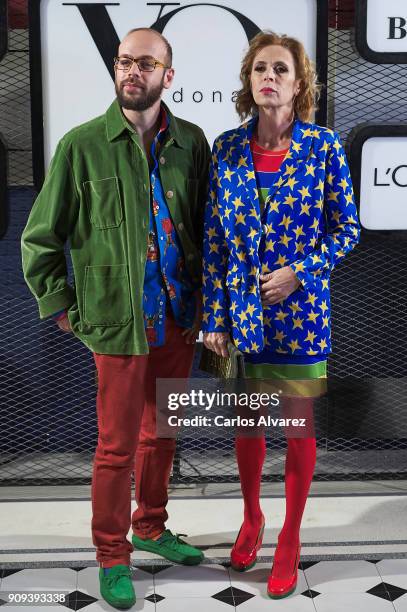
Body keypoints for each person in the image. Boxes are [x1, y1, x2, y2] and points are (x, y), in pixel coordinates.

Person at [21, 27, 211, 610]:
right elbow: (39, 239)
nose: (133, 71)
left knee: (164, 434)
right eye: (125, 61)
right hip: (116, 324)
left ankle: (151, 527)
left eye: (146, 63)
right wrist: (60, 307)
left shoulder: (192, 143)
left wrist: (213, 307)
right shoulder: (81, 145)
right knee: (115, 446)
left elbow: (208, 231)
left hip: (179, 318)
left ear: (167, 76)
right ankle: (112, 553)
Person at [202, 30, 360, 599]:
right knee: (248, 424)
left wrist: (301, 272)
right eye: (260, 68)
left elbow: (347, 232)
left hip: (302, 318)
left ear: (299, 84)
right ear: (249, 81)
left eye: (281, 70)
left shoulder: (324, 147)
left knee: (296, 429)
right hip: (244, 317)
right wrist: (214, 316)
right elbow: (216, 241)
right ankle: (252, 518)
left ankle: (290, 536)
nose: (269, 77)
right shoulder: (225, 148)